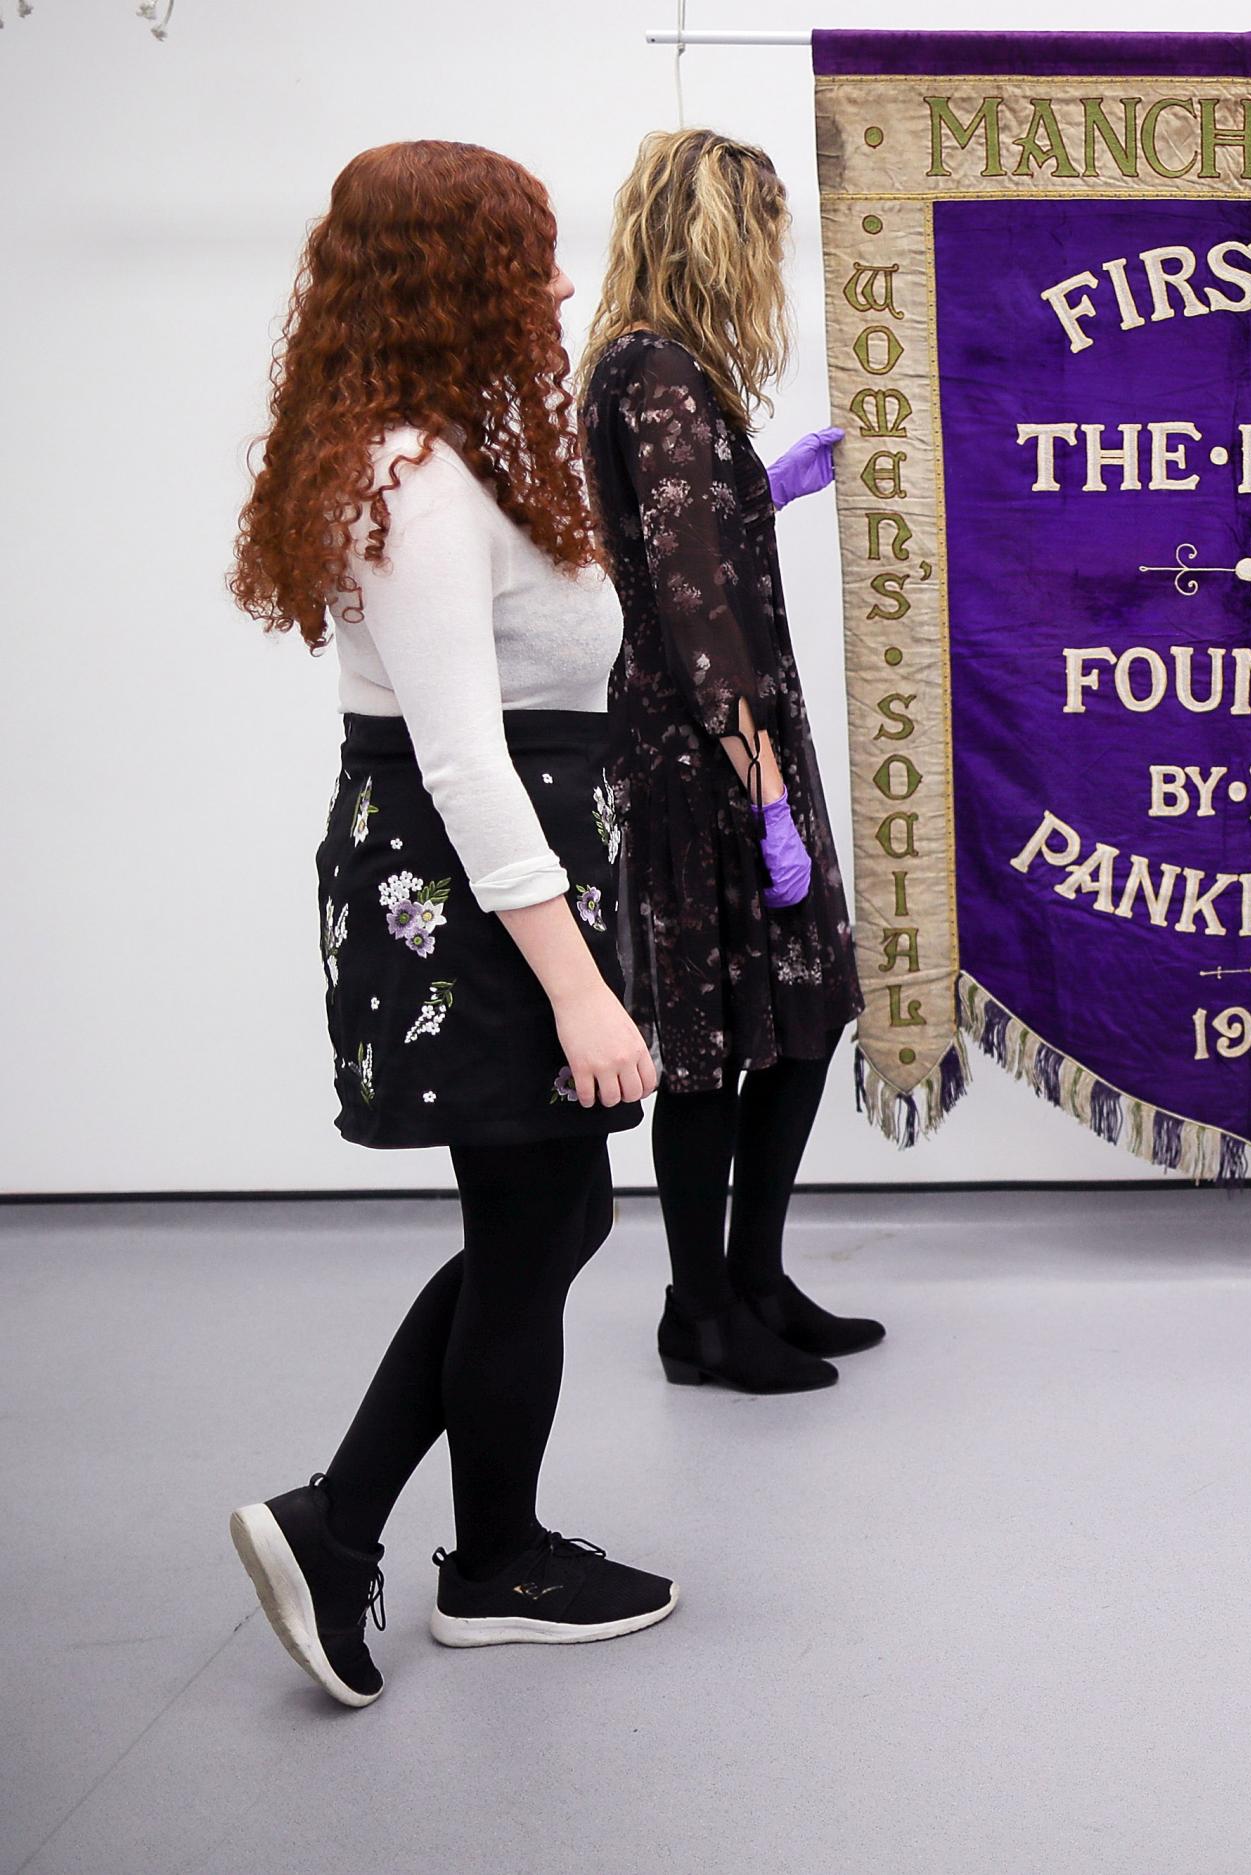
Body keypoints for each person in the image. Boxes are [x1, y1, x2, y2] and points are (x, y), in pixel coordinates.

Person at [225, 142, 676, 1708]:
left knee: (544, 1218)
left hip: (504, 879)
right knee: (541, 1219)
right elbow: (463, 758)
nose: (560, 283)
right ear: (453, 278)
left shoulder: (453, 453)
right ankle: (367, 1528)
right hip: (469, 893)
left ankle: (476, 1551)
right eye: (533, 257)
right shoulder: (411, 478)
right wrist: (579, 992)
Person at [578, 128, 875, 1395]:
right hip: (709, 748)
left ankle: (751, 1278)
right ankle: (699, 1313)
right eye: (759, 231)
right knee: (712, 1039)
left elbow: (691, 539)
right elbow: (694, 606)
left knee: (797, 1015)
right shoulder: (651, 371)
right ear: (708, 234)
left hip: (731, 731)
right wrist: (763, 791)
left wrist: (772, 487)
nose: (770, 259)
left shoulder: (666, 373)